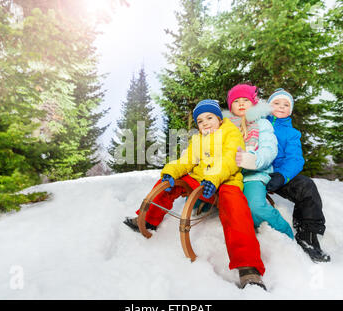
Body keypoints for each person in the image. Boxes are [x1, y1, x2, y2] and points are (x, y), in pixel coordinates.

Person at [123, 99, 267, 290]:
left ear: (218, 118)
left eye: (209, 117)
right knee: (169, 183)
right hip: (201, 180)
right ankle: (149, 218)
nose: (205, 123)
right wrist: (171, 171)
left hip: (225, 180)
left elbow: (230, 159)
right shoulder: (197, 139)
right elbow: (187, 160)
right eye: (200, 121)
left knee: (235, 207)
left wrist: (214, 178)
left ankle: (249, 268)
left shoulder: (230, 132)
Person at [266, 88, 330, 262]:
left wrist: (281, 176)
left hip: (279, 175)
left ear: (291, 110)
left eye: (286, 104)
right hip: (257, 172)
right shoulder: (257, 125)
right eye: (276, 103)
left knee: (306, 186)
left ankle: (307, 234)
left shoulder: (291, 133)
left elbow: (295, 159)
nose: (281, 107)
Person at [228, 84, 294, 239]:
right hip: (230, 174)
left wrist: (254, 160)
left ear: (254, 103)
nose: (242, 103)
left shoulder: (262, 123)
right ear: (231, 106)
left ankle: (285, 233)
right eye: (237, 101)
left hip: (254, 174)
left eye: (246, 100)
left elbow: (269, 149)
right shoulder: (225, 126)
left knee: (255, 206)